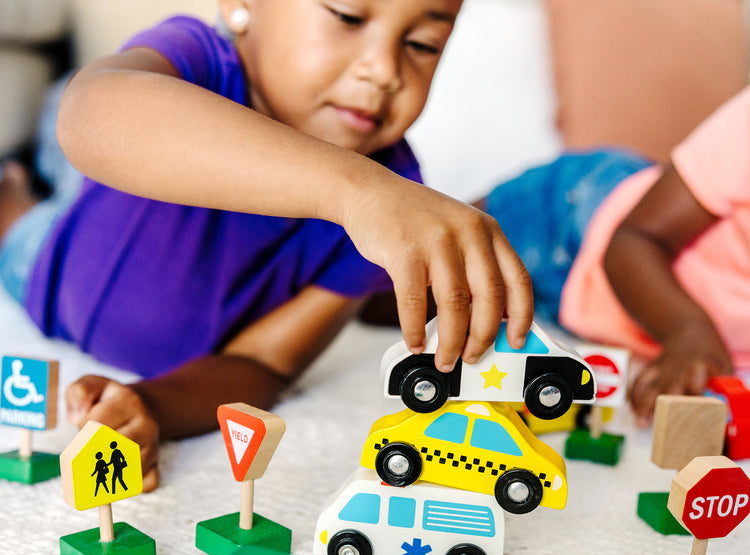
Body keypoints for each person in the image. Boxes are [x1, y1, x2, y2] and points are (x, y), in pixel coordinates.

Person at [0, 0, 533, 490]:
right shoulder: (200, 60)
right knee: (22, 197)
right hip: (51, 260)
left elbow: (266, 363)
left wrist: (153, 405)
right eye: (348, 16)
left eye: (422, 45)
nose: (385, 70)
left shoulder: (392, 197)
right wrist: (355, 192)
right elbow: (90, 115)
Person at [474, 86, 750, 426]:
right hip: (574, 222)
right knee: (410, 279)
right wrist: (688, 332)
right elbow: (636, 239)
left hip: (585, 313)